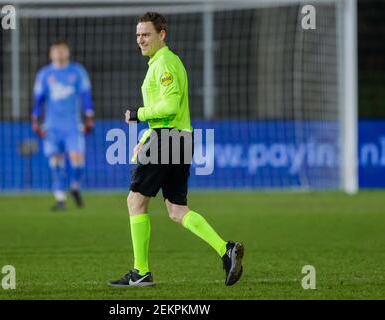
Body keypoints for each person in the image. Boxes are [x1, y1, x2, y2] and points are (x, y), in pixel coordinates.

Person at [109, 12, 244, 287]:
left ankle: (141, 272)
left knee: (135, 201)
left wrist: (139, 114)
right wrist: (146, 135)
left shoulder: (165, 64)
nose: (140, 39)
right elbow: (173, 113)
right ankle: (225, 250)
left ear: (162, 34)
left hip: (168, 140)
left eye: (146, 34)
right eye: (138, 35)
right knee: (176, 209)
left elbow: (169, 108)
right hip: (179, 138)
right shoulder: (162, 63)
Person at [31, 40, 95, 211]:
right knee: (55, 161)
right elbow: (39, 100)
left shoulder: (77, 72)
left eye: (62, 50)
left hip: (73, 126)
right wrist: (35, 118)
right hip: (52, 126)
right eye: (55, 51)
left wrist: (89, 115)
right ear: (51, 54)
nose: (59, 53)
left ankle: (74, 186)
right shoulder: (44, 74)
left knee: (77, 159)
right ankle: (60, 199)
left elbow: (85, 95)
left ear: (67, 52)